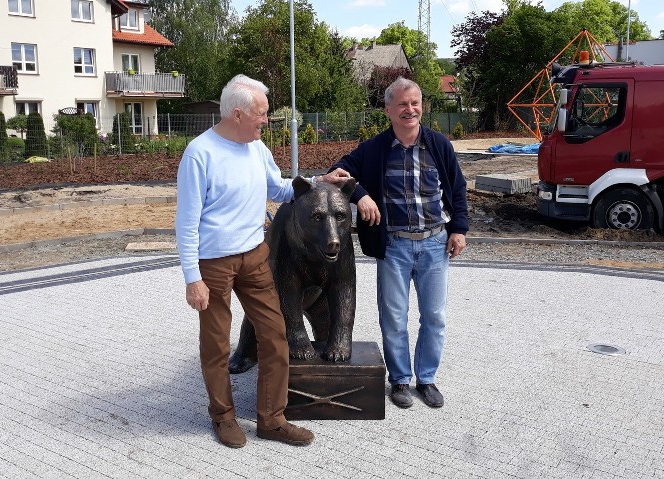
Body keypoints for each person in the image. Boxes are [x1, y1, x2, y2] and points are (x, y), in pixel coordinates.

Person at [175, 74, 349, 447]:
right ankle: (223, 417)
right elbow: (186, 223)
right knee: (217, 345)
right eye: (262, 114)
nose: (266, 121)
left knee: (275, 336)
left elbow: (280, 189)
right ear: (237, 114)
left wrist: (320, 181)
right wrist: (193, 278)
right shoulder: (200, 154)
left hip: (255, 256)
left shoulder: (257, 149)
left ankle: (271, 418)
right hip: (214, 264)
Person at [330, 77, 469, 409]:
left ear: (422, 106)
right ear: (389, 109)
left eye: (415, 103)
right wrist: (360, 196)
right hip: (393, 246)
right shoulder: (373, 149)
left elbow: (458, 189)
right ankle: (400, 381)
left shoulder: (439, 145)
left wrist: (459, 228)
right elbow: (336, 173)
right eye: (403, 104)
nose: (410, 110)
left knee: (434, 316)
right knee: (393, 317)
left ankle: (427, 379)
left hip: (435, 244)